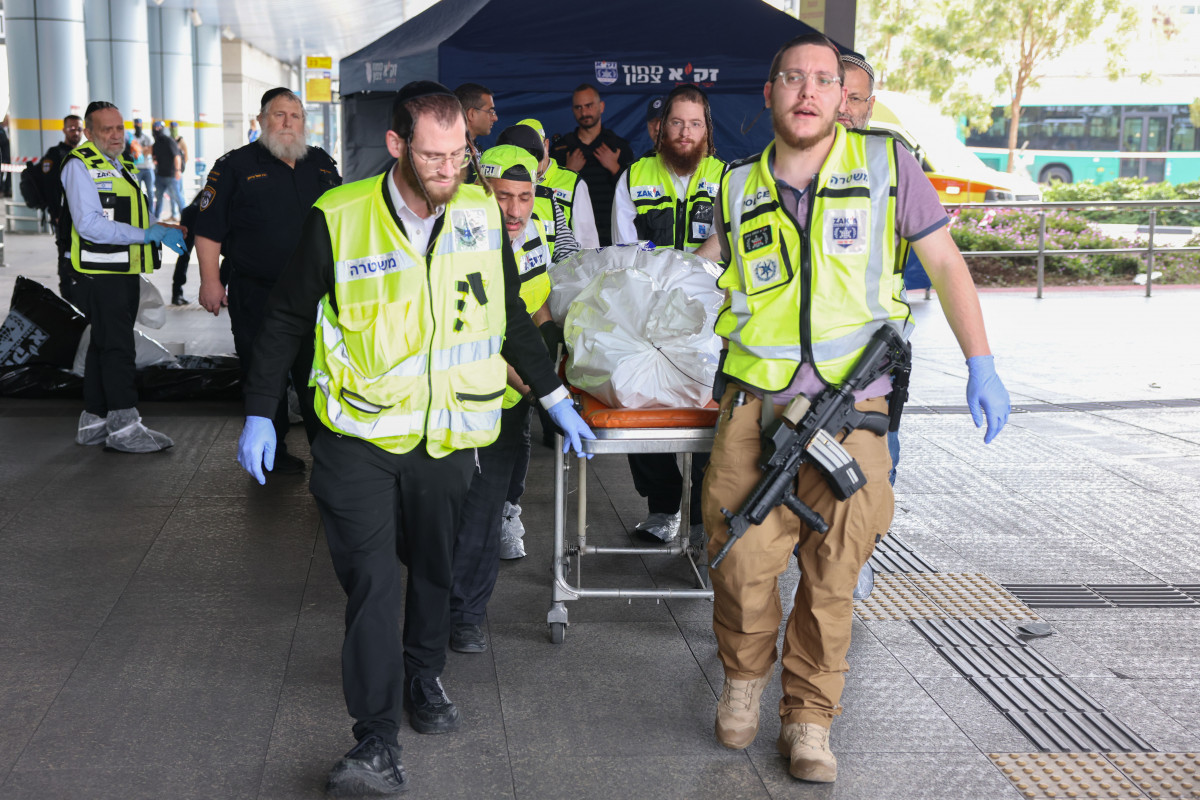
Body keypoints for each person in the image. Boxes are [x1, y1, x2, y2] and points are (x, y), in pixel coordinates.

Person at [234, 80, 595, 796]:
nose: (449, 170)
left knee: (434, 567)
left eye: (460, 154)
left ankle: (424, 677)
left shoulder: (479, 215)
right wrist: (257, 409)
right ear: (397, 145)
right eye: (433, 156)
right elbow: (284, 318)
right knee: (372, 581)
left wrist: (554, 396)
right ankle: (374, 740)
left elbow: (508, 322)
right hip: (358, 439)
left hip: (447, 438)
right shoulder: (338, 218)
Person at [699, 34, 1011, 784]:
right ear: (769, 93)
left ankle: (809, 720)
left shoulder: (885, 164)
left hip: (853, 410)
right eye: (792, 79)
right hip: (755, 406)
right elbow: (708, 276)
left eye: (823, 81)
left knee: (836, 568)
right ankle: (745, 680)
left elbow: (943, 263)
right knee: (738, 556)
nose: (807, 92)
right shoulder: (736, 183)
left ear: (844, 96)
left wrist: (982, 361)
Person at [194, 87, 342, 473]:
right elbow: (208, 229)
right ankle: (270, 456)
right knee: (264, 375)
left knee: (318, 378)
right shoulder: (234, 166)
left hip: (317, 297)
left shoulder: (322, 164)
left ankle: (329, 459)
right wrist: (210, 282)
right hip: (257, 293)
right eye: (278, 115)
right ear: (261, 121)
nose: (287, 123)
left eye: (295, 116)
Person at [449, 142, 558, 649]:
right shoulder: (455, 231)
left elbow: (529, 306)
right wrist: (519, 373)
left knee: (487, 509)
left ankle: (466, 615)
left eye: (524, 196)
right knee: (459, 511)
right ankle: (446, 610)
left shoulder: (533, 230)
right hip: (460, 396)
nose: (515, 210)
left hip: (511, 402)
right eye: (502, 196)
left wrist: (553, 354)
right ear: (479, 190)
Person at [610, 84, 725, 546]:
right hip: (649, 314)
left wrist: (690, 270)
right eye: (677, 122)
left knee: (707, 411)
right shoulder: (634, 176)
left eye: (694, 124)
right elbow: (624, 249)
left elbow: (730, 240)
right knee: (645, 405)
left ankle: (701, 518)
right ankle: (662, 509)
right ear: (661, 128)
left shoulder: (729, 177)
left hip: (709, 317)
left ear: (706, 130)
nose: (684, 132)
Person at [60, 101, 187, 452]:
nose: (117, 135)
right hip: (100, 274)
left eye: (120, 128)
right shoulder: (79, 165)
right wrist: (145, 236)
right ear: (89, 133)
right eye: (107, 130)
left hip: (121, 270)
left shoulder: (120, 164)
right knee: (118, 346)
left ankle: (95, 421)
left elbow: (132, 214)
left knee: (104, 343)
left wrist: (159, 227)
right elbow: (89, 225)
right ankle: (124, 426)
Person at [550, 83, 632, 246]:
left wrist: (615, 169)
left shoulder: (618, 146)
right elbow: (548, 195)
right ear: (573, 110)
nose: (584, 112)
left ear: (601, 106)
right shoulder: (562, 148)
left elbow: (635, 194)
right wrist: (568, 172)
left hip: (613, 232)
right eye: (578, 107)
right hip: (573, 234)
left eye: (589, 106)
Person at [503, 118, 599, 251]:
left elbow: (588, 242)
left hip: (562, 267)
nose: (532, 160)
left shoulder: (572, 182)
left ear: (546, 145)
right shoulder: (507, 182)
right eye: (525, 154)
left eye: (536, 152)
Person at [39, 115, 85, 302]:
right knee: (66, 257)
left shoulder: (85, 153)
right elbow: (49, 187)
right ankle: (68, 299)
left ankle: (82, 297)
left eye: (79, 129)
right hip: (63, 218)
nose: (76, 132)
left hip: (84, 217)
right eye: (72, 129)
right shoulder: (55, 154)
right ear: (64, 130)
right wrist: (56, 214)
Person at [454, 82, 496, 183]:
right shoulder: (451, 153)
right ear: (471, 114)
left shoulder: (476, 149)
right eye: (490, 111)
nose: (495, 118)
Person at [151, 120, 183, 221]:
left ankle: (186, 217)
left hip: (171, 175)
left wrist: (178, 170)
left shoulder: (169, 141)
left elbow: (177, 156)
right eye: (155, 128)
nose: (157, 130)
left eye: (159, 128)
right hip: (160, 176)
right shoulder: (156, 144)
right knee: (159, 199)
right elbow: (155, 157)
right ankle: (156, 220)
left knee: (177, 197)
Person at [129, 118, 155, 202]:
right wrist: (143, 150)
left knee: (150, 192)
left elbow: (151, 150)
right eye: (136, 125)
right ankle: (139, 211)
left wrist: (138, 150)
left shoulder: (147, 138)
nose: (138, 127)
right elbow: (131, 151)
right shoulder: (131, 138)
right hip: (136, 168)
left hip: (148, 168)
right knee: (137, 192)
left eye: (139, 125)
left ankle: (151, 213)